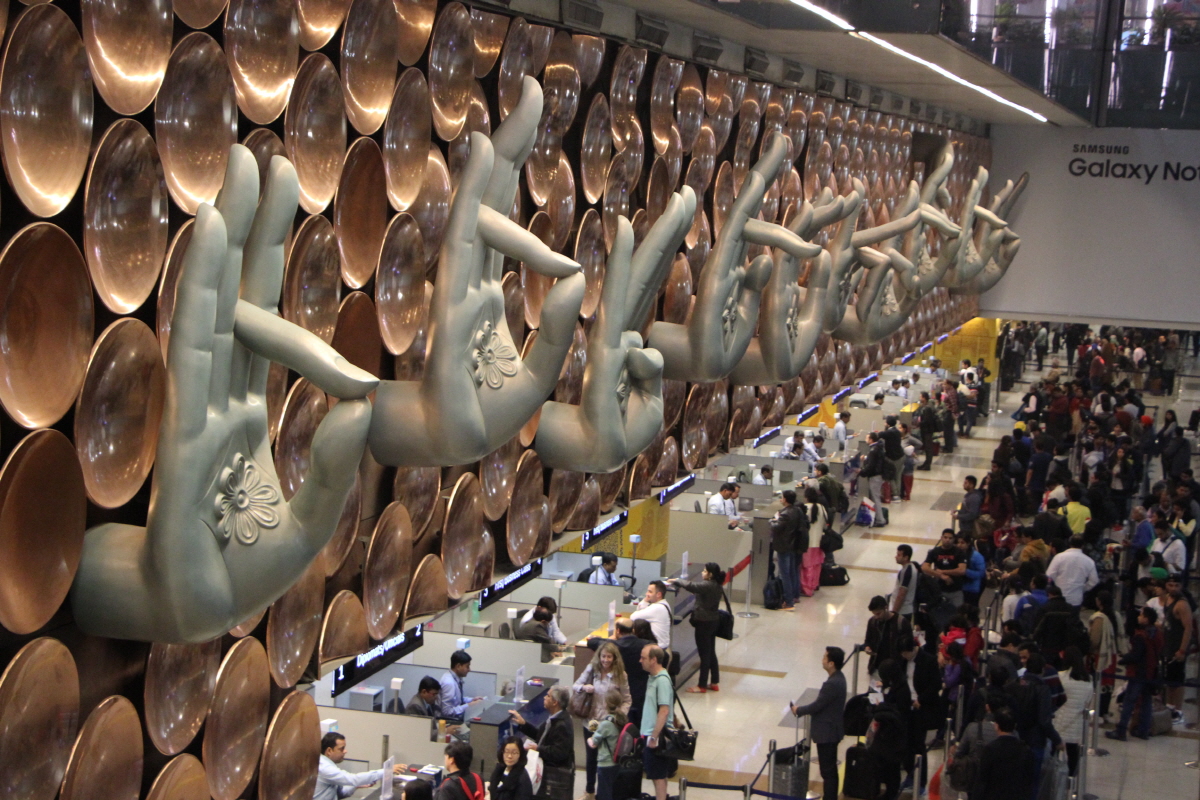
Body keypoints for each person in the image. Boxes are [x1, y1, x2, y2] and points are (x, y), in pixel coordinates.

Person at [573, 642, 631, 798]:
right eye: (603, 656)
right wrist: (584, 688)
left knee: (608, 758)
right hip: (592, 721)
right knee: (591, 756)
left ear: (614, 658)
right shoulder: (592, 669)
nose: (606, 660)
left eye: (609, 657)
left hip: (610, 724)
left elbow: (627, 700)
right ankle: (590, 790)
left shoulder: (621, 675)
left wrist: (619, 715)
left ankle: (605, 792)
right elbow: (575, 685)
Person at [789, 647, 847, 800]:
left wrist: (798, 710)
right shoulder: (839, 678)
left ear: (831, 663)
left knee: (827, 771)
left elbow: (817, 705)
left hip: (827, 732)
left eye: (824, 657)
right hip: (831, 729)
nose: (822, 660)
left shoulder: (832, 683)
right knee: (829, 769)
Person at [1106, 607, 1164, 741]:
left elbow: (1136, 656)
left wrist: (1123, 659)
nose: (1139, 617)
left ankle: (1121, 731)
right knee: (1147, 702)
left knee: (1129, 702)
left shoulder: (1140, 636)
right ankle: (1144, 730)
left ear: (1146, 619)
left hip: (1137, 673)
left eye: (1141, 615)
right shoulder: (1157, 634)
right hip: (1151, 672)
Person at [669, 563, 726, 692]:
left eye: (705, 571)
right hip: (713, 621)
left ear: (710, 574)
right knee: (711, 652)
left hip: (703, 622)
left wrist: (677, 580)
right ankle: (714, 682)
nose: (702, 573)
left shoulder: (707, 585)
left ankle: (701, 685)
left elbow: (692, 586)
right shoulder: (717, 584)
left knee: (704, 654)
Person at [509, 686, 574, 800]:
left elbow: (559, 752)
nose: (544, 697)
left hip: (556, 780)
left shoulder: (562, 724)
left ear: (555, 702)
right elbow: (542, 736)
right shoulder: (555, 718)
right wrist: (524, 724)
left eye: (548, 696)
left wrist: (538, 748)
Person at [587, 618, 651, 727]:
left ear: (617, 631)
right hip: (641, 695)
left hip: (619, 699)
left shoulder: (613, 645)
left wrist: (611, 639)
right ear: (633, 630)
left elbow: (592, 642)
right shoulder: (646, 645)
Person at [316, 732, 404, 800]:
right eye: (341, 749)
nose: (345, 751)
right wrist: (386, 771)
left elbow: (341, 793)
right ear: (329, 751)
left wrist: (357, 785)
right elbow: (352, 779)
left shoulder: (328, 765)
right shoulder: (324, 768)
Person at [972, 709, 1035, 800]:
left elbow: (982, 780)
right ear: (1014, 726)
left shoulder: (990, 749)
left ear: (996, 726)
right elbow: (1028, 782)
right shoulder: (1026, 751)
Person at [639, 644, 675, 800]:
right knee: (658, 775)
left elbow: (664, 710)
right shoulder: (653, 678)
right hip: (650, 733)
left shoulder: (662, 681)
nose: (640, 660)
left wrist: (653, 737)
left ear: (653, 660)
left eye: (643, 658)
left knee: (658, 776)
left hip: (656, 737)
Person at [1054, 646, 1093, 778]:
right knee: (1073, 752)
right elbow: (1088, 701)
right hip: (1076, 721)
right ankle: (1072, 780)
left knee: (1054, 749)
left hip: (1059, 718)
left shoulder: (1061, 677)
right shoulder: (1088, 681)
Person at [587, 688, 629, 800]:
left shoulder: (606, 723)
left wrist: (590, 738)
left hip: (605, 763)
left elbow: (593, 744)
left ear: (605, 703)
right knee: (612, 792)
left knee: (604, 794)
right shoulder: (621, 719)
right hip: (617, 762)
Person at [770, 490, 807, 611]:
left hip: (784, 546)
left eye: (782, 497)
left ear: (785, 499)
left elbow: (776, 527)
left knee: (785, 574)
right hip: (793, 545)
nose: (781, 499)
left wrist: (772, 521)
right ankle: (795, 596)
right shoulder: (797, 510)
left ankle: (789, 601)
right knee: (792, 572)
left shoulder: (786, 514)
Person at [1044, 534, 1100, 608]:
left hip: (1058, 597)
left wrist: (1057, 584)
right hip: (1076, 598)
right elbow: (1094, 581)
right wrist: (1082, 588)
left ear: (1069, 544)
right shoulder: (1089, 561)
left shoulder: (1059, 557)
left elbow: (1049, 575)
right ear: (1083, 545)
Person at [865, 595, 913, 676]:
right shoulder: (872, 622)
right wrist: (867, 647)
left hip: (896, 670)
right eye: (874, 614)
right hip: (876, 667)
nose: (876, 617)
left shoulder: (901, 622)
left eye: (878, 613)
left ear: (886, 607)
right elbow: (868, 640)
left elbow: (909, 646)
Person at [922, 528, 966, 608]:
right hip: (939, 589)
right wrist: (941, 576)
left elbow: (962, 570)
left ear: (954, 539)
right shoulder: (934, 551)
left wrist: (943, 571)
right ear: (941, 538)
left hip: (956, 590)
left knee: (957, 614)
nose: (947, 540)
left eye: (950, 538)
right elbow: (925, 567)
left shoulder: (959, 552)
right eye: (945, 537)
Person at [439, 650, 482, 721]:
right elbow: (446, 712)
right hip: (450, 722)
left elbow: (457, 700)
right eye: (467, 666)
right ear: (458, 666)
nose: (469, 670)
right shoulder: (449, 683)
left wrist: (471, 700)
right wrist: (468, 706)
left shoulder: (455, 678)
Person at [630, 581, 672, 649]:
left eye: (650, 592)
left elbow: (633, 617)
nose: (647, 594)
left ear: (658, 594)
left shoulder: (657, 608)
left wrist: (645, 601)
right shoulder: (664, 604)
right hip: (661, 646)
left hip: (657, 649)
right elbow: (640, 611)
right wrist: (646, 600)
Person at [859, 431, 887, 522]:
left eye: (867, 438)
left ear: (871, 440)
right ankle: (877, 517)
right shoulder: (878, 448)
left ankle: (880, 520)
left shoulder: (873, 450)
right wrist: (867, 458)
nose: (865, 440)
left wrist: (861, 472)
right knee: (875, 497)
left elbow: (871, 466)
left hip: (875, 476)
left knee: (876, 498)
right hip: (878, 475)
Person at [954, 533, 987, 608]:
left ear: (968, 543)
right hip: (958, 588)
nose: (959, 545)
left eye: (962, 543)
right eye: (958, 543)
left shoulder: (976, 556)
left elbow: (981, 573)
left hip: (971, 589)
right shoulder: (955, 554)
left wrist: (965, 571)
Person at [891, 545, 918, 619]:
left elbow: (902, 593)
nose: (896, 557)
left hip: (902, 611)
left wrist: (894, 612)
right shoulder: (909, 568)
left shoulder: (907, 571)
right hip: (903, 610)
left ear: (906, 557)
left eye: (899, 555)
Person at [882, 415, 905, 500]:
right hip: (901, 456)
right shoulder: (897, 431)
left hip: (893, 457)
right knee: (898, 476)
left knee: (890, 476)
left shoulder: (889, 432)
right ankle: (897, 494)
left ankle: (895, 494)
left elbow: (880, 435)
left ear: (887, 424)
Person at [917, 393, 938, 470]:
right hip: (927, 430)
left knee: (928, 448)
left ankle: (927, 464)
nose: (919, 398)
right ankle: (926, 463)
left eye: (920, 396)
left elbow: (926, 420)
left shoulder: (927, 408)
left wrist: (918, 424)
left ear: (924, 398)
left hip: (927, 430)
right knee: (927, 447)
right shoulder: (927, 406)